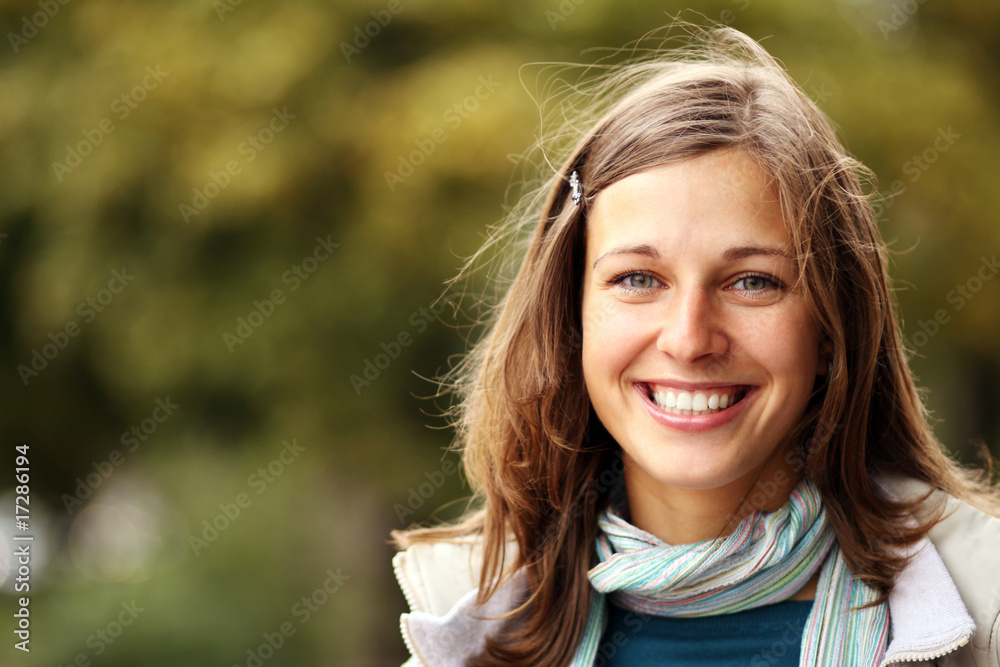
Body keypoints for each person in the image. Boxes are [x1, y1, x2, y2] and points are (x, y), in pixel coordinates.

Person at [391, 25, 1000, 667]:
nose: (688, 339)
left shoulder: (984, 612)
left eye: (752, 282)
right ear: (569, 317)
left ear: (831, 327)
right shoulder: (465, 631)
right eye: (637, 279)